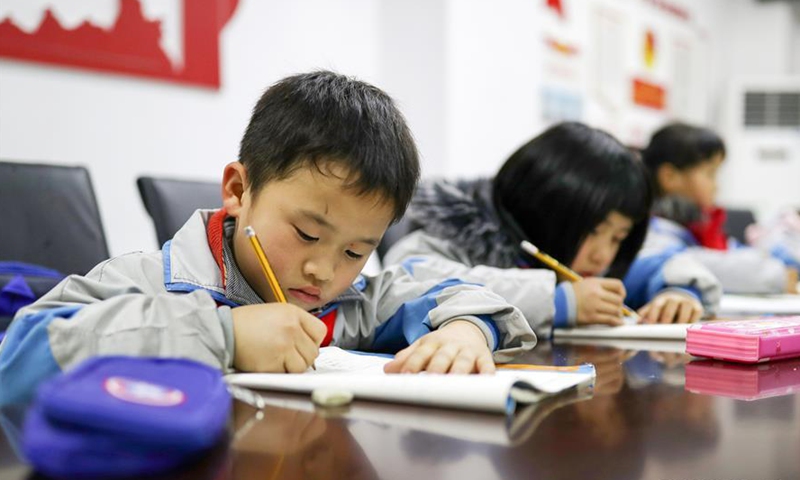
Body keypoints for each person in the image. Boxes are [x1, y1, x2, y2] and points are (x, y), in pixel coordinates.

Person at [0, 71, 537, 406]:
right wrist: (223, 333)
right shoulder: (141, 281)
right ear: (238, 188)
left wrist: (468, 331)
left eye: (356, 251)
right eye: (306, 233)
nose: (325, 271)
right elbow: (18, 359)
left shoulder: (346, 305)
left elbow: (452, 293)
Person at [384, 122, 721, 337]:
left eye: (618, 238)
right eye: (593, 231)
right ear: (549, 211)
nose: (604, 254)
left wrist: (678, 293)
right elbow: (407, 282)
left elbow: (659, 260)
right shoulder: (447, 235)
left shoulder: (588, 260)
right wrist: (556, 302)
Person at [642, 122, 796, 294]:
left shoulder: (700, 225)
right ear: (670, 177)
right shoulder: (654, 230)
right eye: (710, 174)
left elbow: (733, 251)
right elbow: (685, 264)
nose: (716, 186)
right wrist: (777, 274)